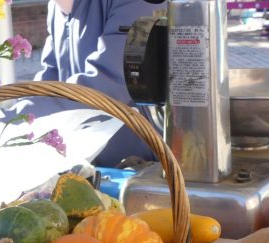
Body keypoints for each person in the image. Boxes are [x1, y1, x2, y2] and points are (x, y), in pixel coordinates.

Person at [9, 0, 163, 167]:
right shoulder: (57, 7)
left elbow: (108, 85)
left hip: (144, 169)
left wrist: (13, 118)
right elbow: (49, 78)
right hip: (88, 166)